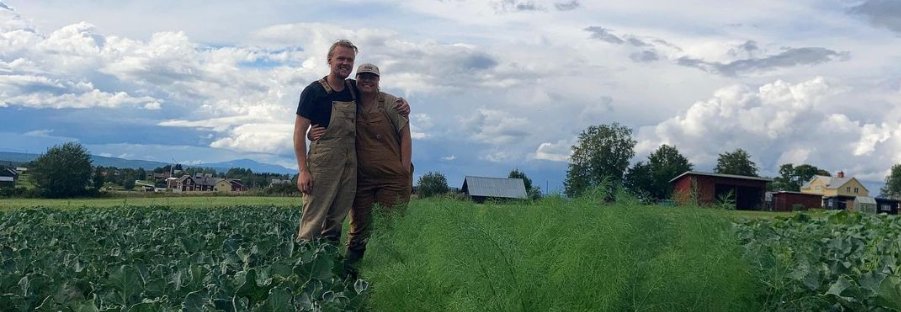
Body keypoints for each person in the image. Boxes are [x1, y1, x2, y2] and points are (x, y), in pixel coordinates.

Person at [294, 40, 409, 244]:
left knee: (336, 219)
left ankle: (326, 265)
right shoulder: (313, 92)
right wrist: (303, 170)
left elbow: (373, 93)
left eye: (350, 60)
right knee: (314, 218)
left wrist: (403, 103)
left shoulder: (352, 88)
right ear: (330, 60)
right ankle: (304, 268)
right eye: (341, 58)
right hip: (323, 163)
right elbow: (298, 133)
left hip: (350, 165)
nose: (345, 63)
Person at [309, 63, 413, 278]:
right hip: (361, 179)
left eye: (372, 77)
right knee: (358, 230)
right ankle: (350, 278)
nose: (367, 81)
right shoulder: (349, 99)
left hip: (392, 179)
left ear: (378, 81)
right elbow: (329, 116)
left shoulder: (393, 103)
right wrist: (312, 133)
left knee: (389, 228)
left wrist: (404, 169)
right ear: (356, 79)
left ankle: (388, 276)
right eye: (363, 77)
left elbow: (405, 136)